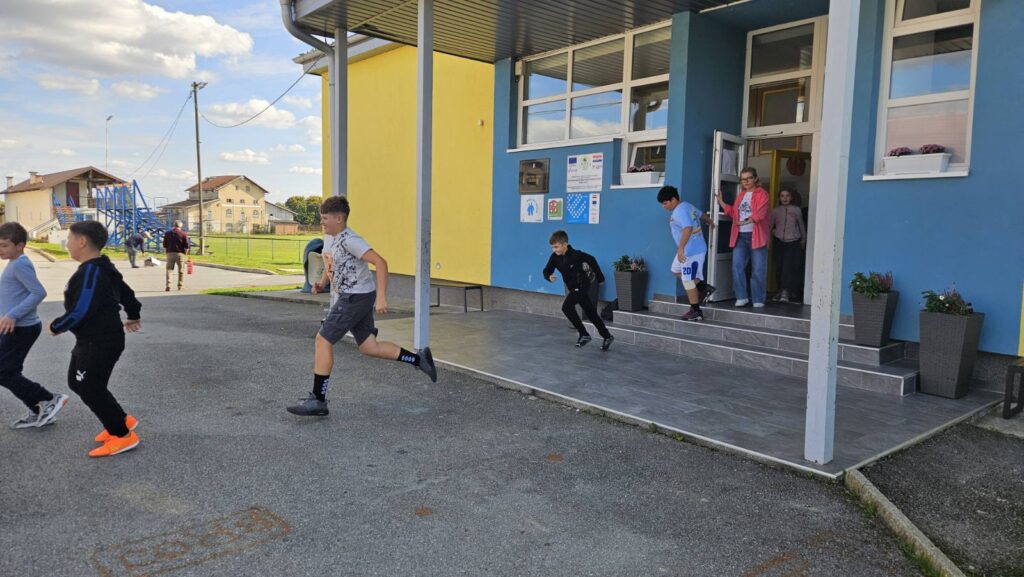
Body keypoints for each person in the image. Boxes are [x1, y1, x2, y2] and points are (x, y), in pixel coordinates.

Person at [288, 195, 437, 417]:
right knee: (369, 347)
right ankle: (419, 359)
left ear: (339, 219)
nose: (322, 222)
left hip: (355, 297)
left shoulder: (351, 240)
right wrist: (322, 282)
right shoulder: (330, 238)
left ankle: (318, 400)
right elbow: (331, 263)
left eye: (325, 218)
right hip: (357, 296)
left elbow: (381, 262)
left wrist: (382, 298)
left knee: (323, 340)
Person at [50, 221, 142, 457]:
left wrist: (57, 326)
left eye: (69, 239)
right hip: (89, 339)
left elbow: (82, 309)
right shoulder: (100, 267)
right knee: (76, 382)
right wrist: (133, 314)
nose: (67, 244)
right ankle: (122, 420)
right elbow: (126, 293)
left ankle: (122, 436)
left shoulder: (92, 270)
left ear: (82, 241)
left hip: (100, 340)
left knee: (90, 387)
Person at [0, 222, 69, 429]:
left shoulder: (20, 264)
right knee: (9, 371)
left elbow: (39, 292)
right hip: (13, 327)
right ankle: (39, 409)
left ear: (20, 245)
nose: (0, 249)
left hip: (22, 328)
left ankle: (49, 398)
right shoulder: (14, 262)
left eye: (4, 245)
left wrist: (12, 315)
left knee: (4, 371)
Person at [543, 230, 614, 350]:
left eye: (556, 247)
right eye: (552, 247)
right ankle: (607, 336)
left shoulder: (577, 255)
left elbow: (592, 260)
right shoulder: (555, 257)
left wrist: (600, 278)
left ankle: (584, 334)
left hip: (582, 286)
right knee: (591, 313)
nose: (554, 250)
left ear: (565, 244)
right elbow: (546, 270)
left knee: (566, 307)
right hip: (572, 288)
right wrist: (549, 276)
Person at [657, 186, 715, 322]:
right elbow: (700, 215)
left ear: (673, 199)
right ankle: (703, 287)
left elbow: (688, 228)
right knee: (676, 270)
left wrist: (681, 248)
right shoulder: (687, 205)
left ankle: (696, 311)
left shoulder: (680, 211)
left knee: (687, 279)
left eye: (665, 203)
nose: (663, 207)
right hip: (690, 250)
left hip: (692, 251)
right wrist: (710, 221)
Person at [715, 167, 770, 307]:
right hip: (740, 236)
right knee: (737, 267)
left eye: (749, 178)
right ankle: (742, 297)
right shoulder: (741, 195)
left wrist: (744, 222)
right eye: (743, 179)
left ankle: (758, 299)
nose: (746, 181)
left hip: (756, 236)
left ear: (755, 178)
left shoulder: (762, 194)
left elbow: (760, 214)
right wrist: (721, 202)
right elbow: (734, 213)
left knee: (758, 270)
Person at [770, 188, 806, 303]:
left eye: (787, 195)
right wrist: (771, 235)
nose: (785, 198)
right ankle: (780, 290)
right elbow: (770, 226)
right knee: (779, 267)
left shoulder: (796, 210)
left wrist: (803, 239)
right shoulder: (775, 211)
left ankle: (786, 291)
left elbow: (801, 225)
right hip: (779, 241)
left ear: (791, 197)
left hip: (793, 241)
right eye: (782, 196)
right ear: (779, 198)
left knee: (788, 267)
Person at [162, 220, 189, 291]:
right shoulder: (183, 234)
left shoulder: (167, 233)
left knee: (169, 270)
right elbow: (187, 246)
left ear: (174, 225)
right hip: (180, 254)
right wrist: (185, 255)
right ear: (180, 226)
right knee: (181, 271)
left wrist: (166, 253)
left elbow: (164, 245)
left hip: (170, 253)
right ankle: (180, 286)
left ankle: (168, 285)